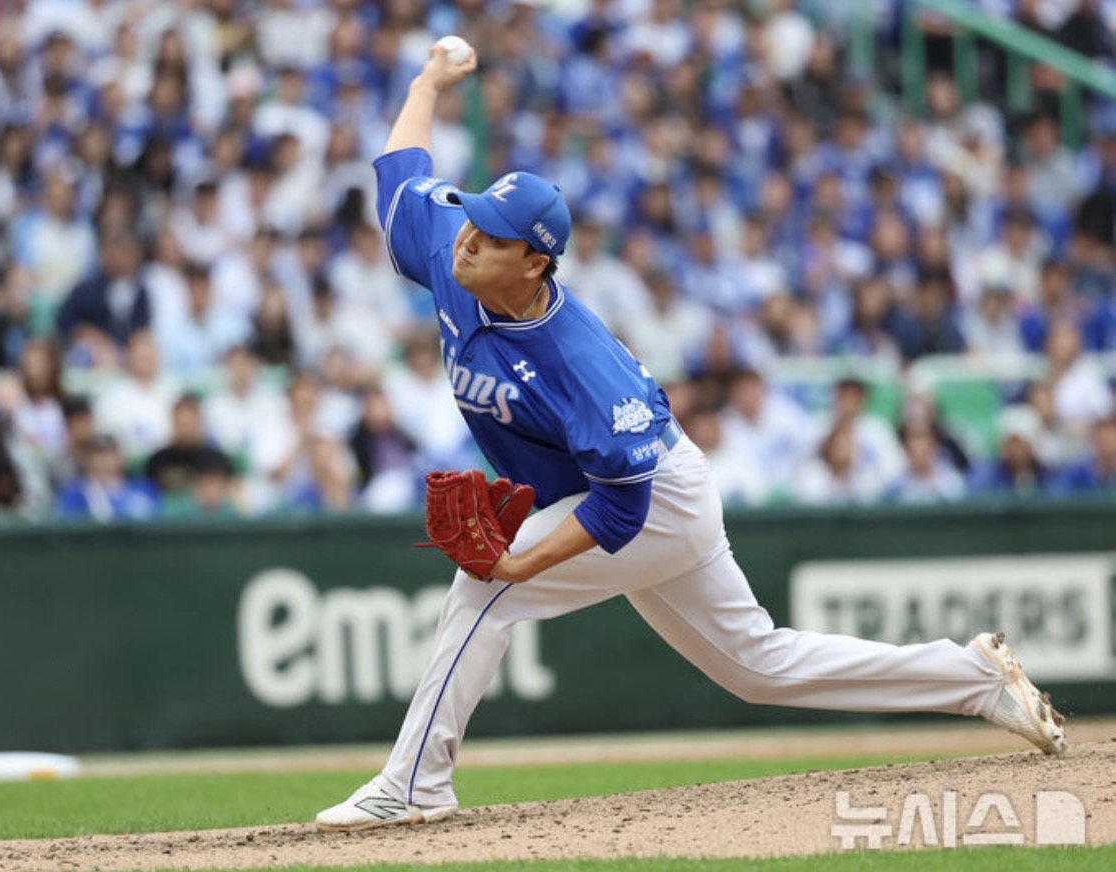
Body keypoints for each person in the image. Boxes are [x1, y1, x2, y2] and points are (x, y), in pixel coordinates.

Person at [314, 42, 1066, 833]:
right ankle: (972, 677)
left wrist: (519, 563)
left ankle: (415, 785)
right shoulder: (453, 253)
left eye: (493, 236)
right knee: (756, 666)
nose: (468, 239)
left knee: (484, 589)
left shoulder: (580, 364)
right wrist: (427, 82)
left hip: (653, 496)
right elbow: (401, 173)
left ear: (534, 263)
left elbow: (621, 510)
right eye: (472, 221)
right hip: (633, 489)